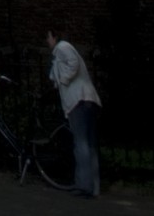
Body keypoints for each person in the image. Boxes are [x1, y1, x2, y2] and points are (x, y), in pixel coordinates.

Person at [47, 30, 102, 197]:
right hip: (87, 99)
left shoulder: (62, 47)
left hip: (77, 101)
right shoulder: (59, 54)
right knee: (89, 144)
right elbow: (55, 76)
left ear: (54, 37)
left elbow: (73, 64)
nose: (47, 41)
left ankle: (84, 185)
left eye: (48, 37)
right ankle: (93, 186)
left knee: (81, 143)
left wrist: (64, 79)